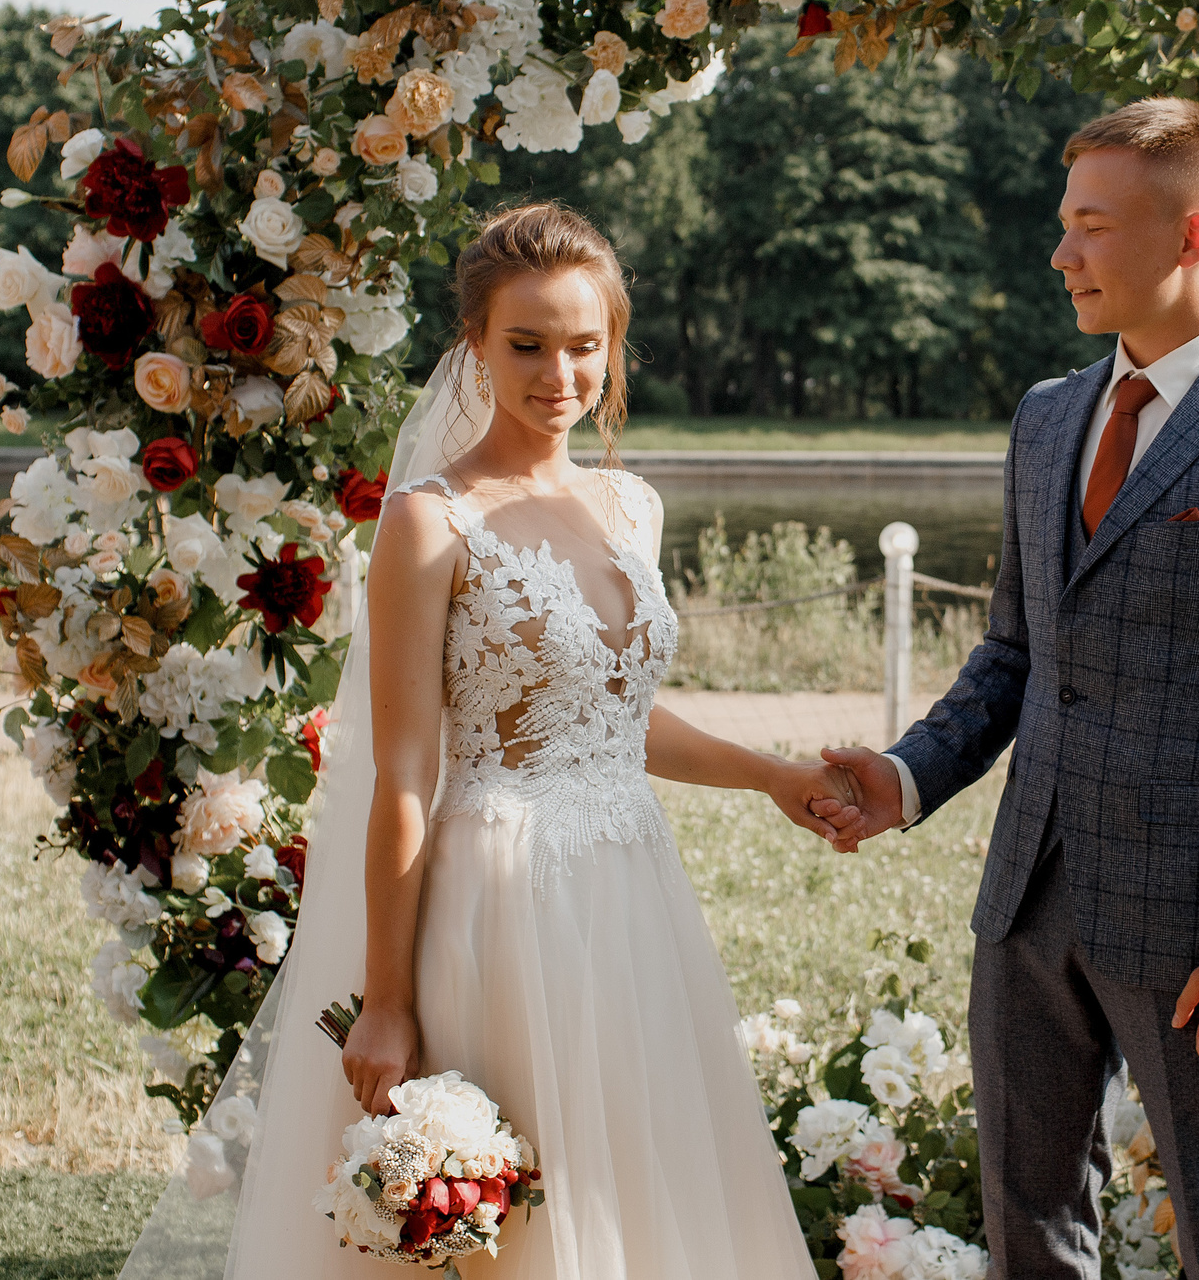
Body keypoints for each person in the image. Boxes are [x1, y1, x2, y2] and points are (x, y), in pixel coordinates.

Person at [162, 202, 841, 1279]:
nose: (558, 375)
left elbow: (608, 716)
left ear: (612, 346)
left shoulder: (631, 506)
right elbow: (402, 773)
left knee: (632, 1180)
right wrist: (384, 1003)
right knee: (512, 1213)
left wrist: (770, 778)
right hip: (500, 896)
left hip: (628, 889)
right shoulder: (433, 520)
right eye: (526, 345)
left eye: (584, 346)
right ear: (474, 342)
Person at [812, 98, 1199, 1280]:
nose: (1061, 254)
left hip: (1198, 938)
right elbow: (1015, 653)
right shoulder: (1046, 418)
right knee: (1029, 1229)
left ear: (1192, 236)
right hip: (1026, 907)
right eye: (1063, 224)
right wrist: (910, 774)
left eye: (1090, 226)